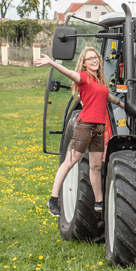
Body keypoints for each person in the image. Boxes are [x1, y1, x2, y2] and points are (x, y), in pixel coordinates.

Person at [35, 48, 124, 217]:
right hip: (85, 126)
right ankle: (53, 199)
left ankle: (99, 203)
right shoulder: (83, 77)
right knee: (70, 161)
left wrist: (122, 104)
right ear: (84, 63)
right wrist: (52, 63)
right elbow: (69, 72)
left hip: (99, 128)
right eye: (90, 58)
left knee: (96, 166)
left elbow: (106, 96)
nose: (94, 60)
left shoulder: (100, 81)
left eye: (96, 57)